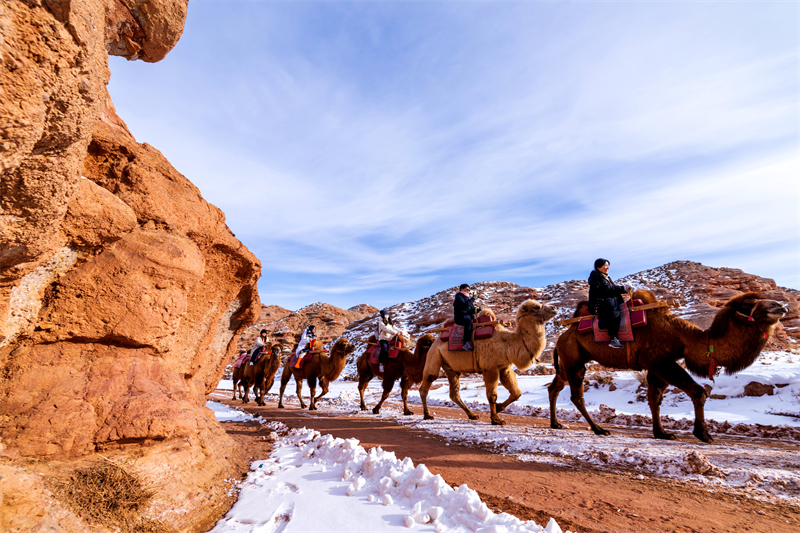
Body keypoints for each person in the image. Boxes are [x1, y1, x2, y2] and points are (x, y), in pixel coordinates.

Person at [588, 258, 632, 349]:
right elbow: (606, 290)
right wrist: (622, 288)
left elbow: (612, 289)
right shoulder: (596, 278)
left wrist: (624, 291)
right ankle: (613, 338)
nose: (607, 267)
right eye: (605, 265)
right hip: (599, 304)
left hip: (606, 300)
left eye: (608, 265)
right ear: (598, 267)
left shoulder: (605, 277)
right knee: (614, 311)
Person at [454, 283, 477, 351]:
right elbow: (464, 305)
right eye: (467, 289)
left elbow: (472, 310)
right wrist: (473, 298)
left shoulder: (468, 299)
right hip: (460, 317)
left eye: (469, 290)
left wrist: (478, 310)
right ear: (462, 289)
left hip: (467, 317)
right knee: (468, 323)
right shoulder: (459, 297)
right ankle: (466, 343)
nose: (468, 291)